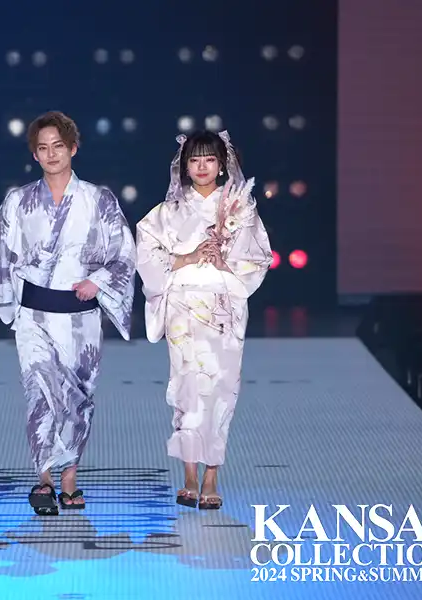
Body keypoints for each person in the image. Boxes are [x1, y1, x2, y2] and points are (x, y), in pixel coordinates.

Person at [0, 111, 136, 515]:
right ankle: (44, 479)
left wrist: (97, 281)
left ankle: (70, 480)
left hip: (80, 318)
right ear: (34, 154)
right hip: (34, 315)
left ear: (73, 148)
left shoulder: (98, 200)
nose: (51, 154)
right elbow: (1, 253)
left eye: (58, 147)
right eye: (42, 148)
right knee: (39, 392)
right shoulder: (18, 200)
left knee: (77, 398)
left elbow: (124, 253)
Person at [135, 130, 272, 510]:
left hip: (224, 306)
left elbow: (259, 257)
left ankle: (212, 474)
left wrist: (226, 261)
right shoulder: (168, 212)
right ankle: (190, 474)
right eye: (194, 160)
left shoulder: (240, 208)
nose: (201, 167)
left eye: (209, 159)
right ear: (184, 166)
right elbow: (145, 254)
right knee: (188, 388)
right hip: (183, 308)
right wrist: (187, 257)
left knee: (222, 390)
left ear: (222, 164)